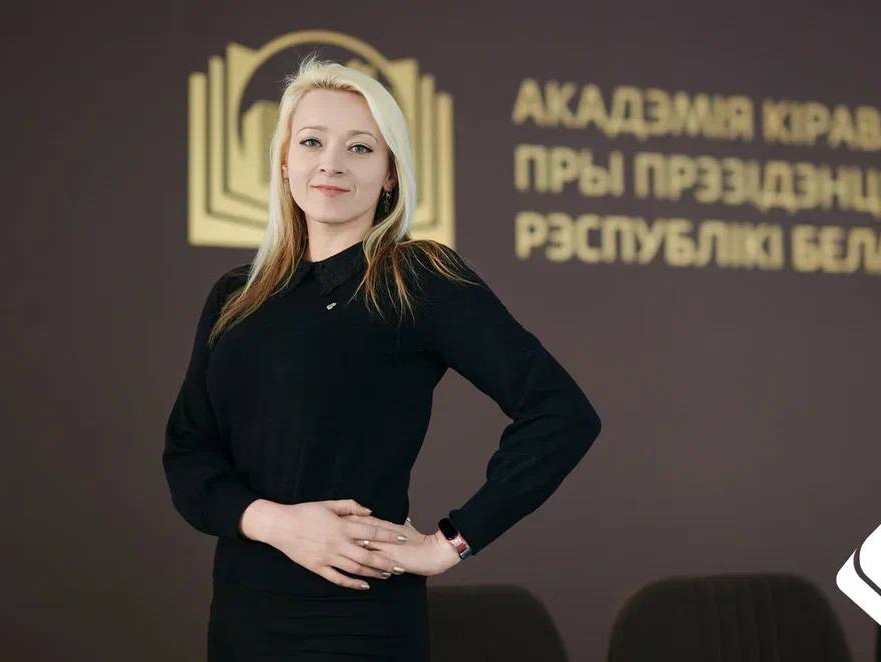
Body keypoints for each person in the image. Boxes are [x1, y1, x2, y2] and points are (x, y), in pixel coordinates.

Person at [162, 56, 602, 660]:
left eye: (360, 147)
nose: (331, 163)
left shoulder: (416, 276)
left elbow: (562, 414)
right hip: (242, 620)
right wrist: (277, 524)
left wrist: (448, 543)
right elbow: (188, 456)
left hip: (359, 625)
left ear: (390, 172)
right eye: (311, 141)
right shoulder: (236, 295)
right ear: (284, 161)